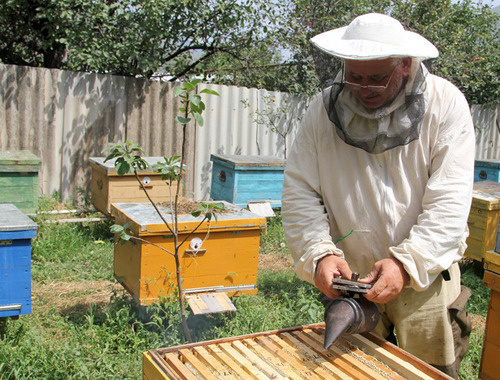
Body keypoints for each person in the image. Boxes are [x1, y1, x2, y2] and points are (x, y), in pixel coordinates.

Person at [282, 13, 474, 379]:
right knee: (356, 370)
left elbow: (449, 200)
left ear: (405, 64)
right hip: (352, 279)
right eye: (353, 75)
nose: (362, 87)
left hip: (425, 277)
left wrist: (407, 263)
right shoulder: (321, 110)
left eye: (375, 78)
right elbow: (300, 191)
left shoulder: (445, 103)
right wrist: (319, 252)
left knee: (430, 371)